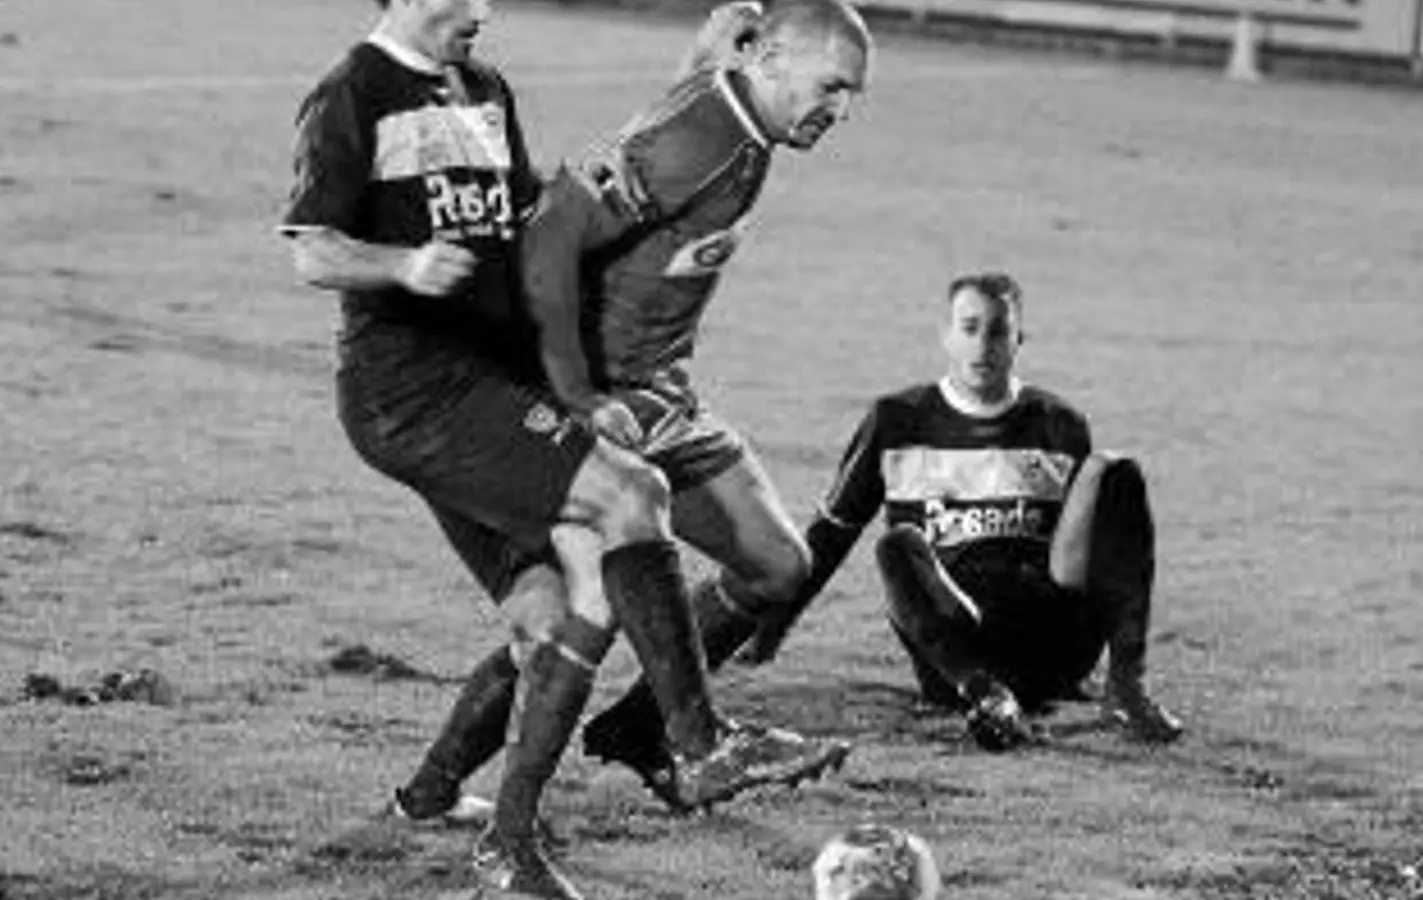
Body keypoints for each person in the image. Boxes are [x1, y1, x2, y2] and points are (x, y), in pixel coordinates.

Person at [279, 1, 850, 895]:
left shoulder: (483, 88)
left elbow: (559, 205)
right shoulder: (352, 92)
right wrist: (403, 266)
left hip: (497, 384)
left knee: (558, 615)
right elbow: (312, 251)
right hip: (418, 392)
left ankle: (457, 815)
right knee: (629, 497)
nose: (485, 10)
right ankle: (699, 743)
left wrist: (695, 76)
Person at [524, 0, 875, 809]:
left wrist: (703, 54)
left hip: (664, 393)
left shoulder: (740, 118)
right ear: (771, 61)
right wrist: (577, 394)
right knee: (570, 616)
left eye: (852, 94)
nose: (840, 110)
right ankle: (446, 800)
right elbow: (549, 237)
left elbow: (675, 119)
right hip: (610, 399)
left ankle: (638, 729)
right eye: (831, 86)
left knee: (777, 565)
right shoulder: (703, 141)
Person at [736, 273, 1187, 751]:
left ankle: (1127, 687)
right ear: (946, 335)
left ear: (1018, 340)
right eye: (970, 328)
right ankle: (987, 697)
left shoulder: (1058, 423)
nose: (983, 345)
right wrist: (769, 633)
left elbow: (1092, 552)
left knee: (1114, 472)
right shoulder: (897, 419)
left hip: (1052, 638)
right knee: (898, 545)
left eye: (998, 331)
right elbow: (832, 534)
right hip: (956, 649)